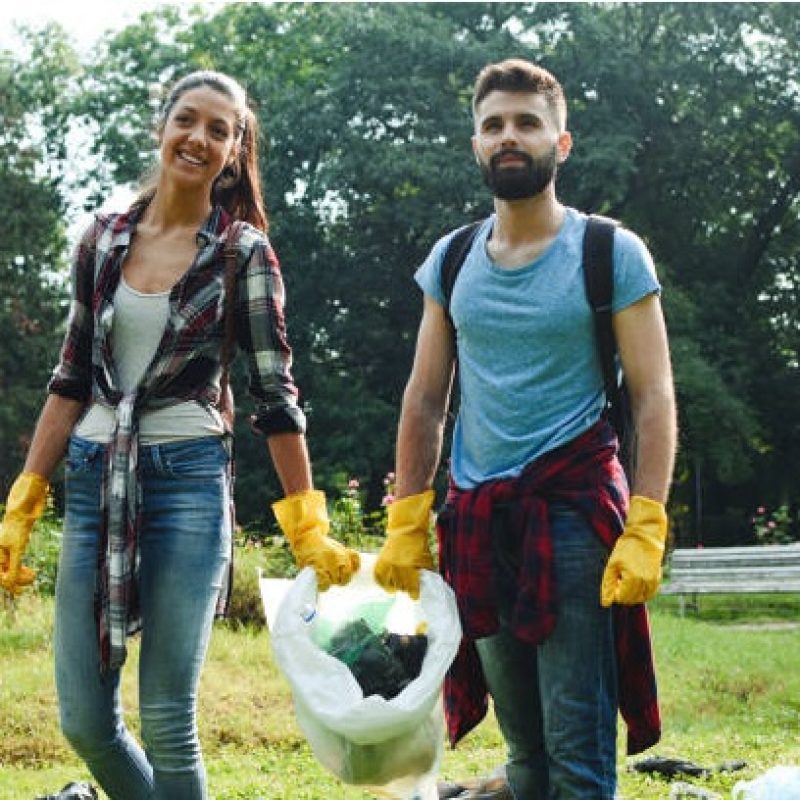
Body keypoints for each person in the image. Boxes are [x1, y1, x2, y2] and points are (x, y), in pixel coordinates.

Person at [0, 70, 359, 800]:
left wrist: (307, 524)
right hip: (95, 472)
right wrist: (27, 494)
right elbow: (70, 376)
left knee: (167, 719)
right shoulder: (102, 240)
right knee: (84, 721)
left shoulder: (241, 253)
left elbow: (273, 393)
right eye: (187, 121)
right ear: (162, 127)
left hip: (189, 479)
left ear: (233, 151)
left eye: (219, 130)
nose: (199, 138)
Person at [374, 59, 677, 799]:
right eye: (494, 125)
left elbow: (654, 395)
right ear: (476, 144)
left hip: (573, 520)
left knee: (575, 755)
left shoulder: (610, 252)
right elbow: (424, 398)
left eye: (526, 123)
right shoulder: (450, 261)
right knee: (526, 755)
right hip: (476, 521)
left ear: (561, 143)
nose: (509, 137)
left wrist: (647, 521)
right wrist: (408, 518)